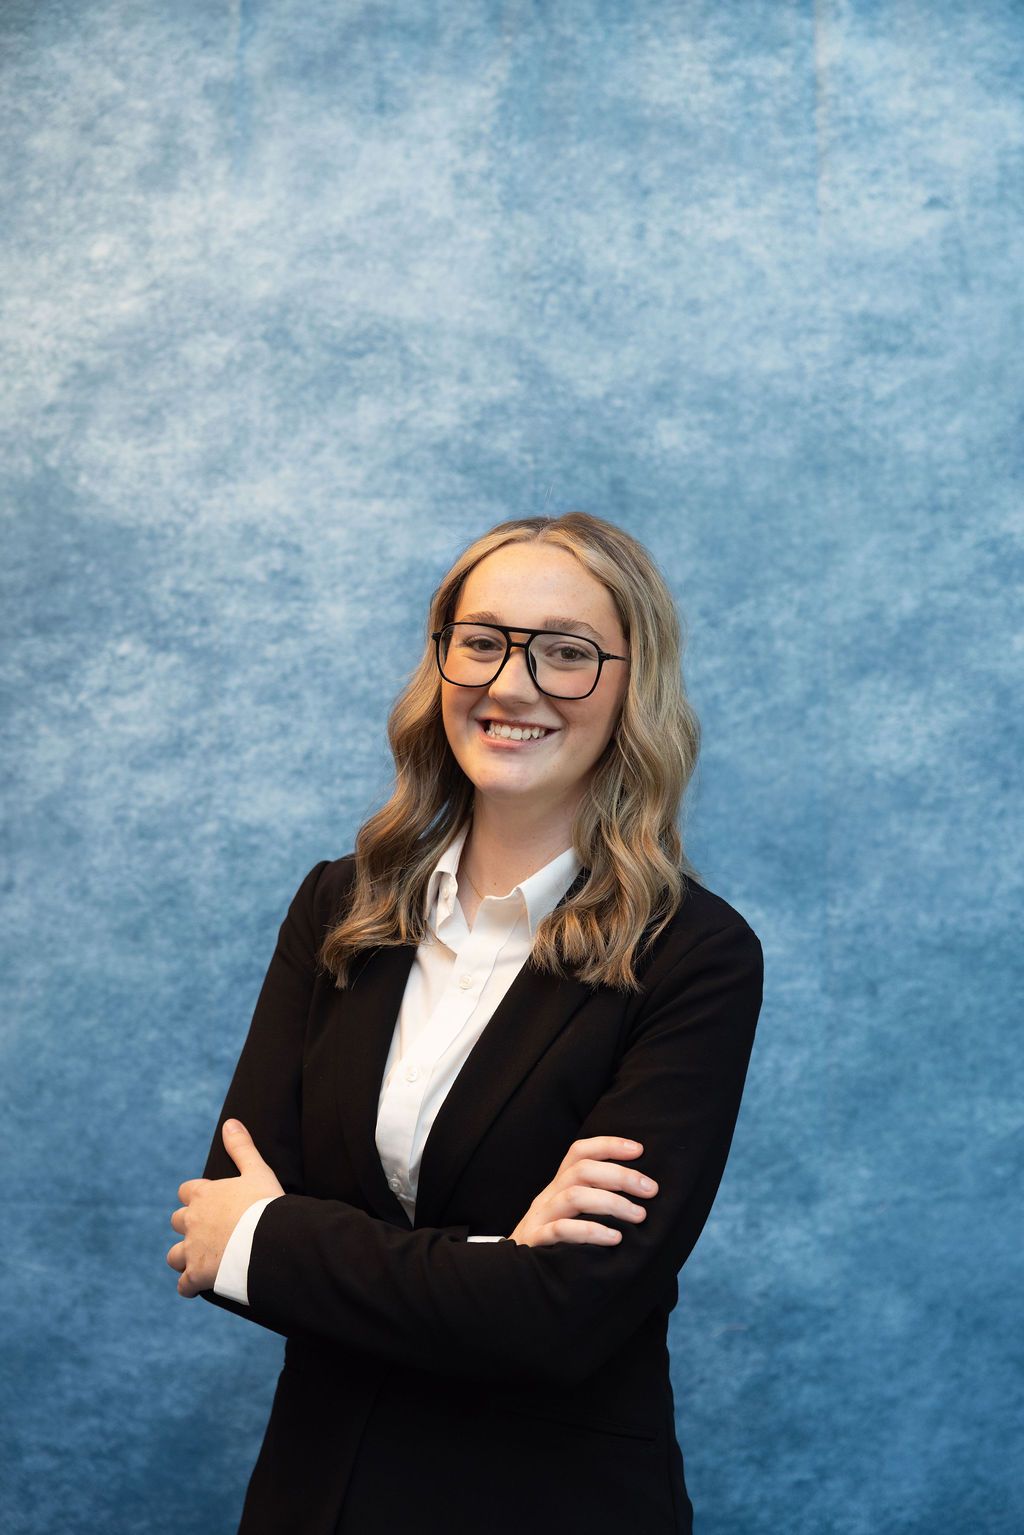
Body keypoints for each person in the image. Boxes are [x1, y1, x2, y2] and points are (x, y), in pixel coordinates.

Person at [166, 511, 764, 1534]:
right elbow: (214, 1233)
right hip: (317, 1499)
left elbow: (563, 1316)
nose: (511, 684)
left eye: (566, 652)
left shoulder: (693, 955)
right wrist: (499, 1255)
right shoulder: (340, 907)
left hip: (548, 1508)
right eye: (481, 640)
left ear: (634, 686)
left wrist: (279, 1237)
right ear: (440, 660)